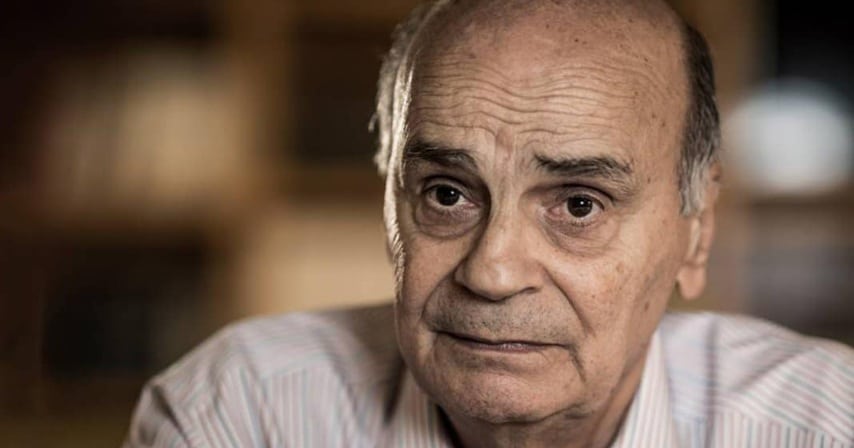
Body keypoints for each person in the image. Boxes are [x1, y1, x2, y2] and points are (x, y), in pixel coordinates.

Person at [124, 0, 854, 447]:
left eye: (578, 205)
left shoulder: (826, 426)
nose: (492, 272)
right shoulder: (240, 414)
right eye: (447, 194)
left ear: (697, 234)